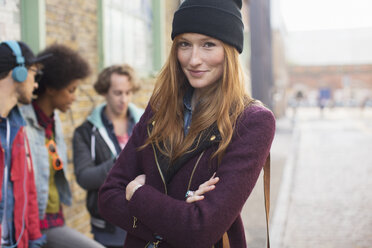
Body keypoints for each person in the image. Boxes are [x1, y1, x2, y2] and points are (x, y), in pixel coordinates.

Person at [98, 0, 276, 247]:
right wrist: (177, 216)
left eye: (208, 45)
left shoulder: (252, 121)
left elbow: (201, 230)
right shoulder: (159, 108)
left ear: (230, 50)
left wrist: (138, 193)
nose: (193, 59)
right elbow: (108, 197)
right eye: (184, 44)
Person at [19, 44, 104, 248]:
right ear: (50, 88)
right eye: (70, 90)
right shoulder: (23, 123)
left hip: (55, 219)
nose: (74, 97)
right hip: (33, 224)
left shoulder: (54, 120)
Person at [73, 64, 144, 248]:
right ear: (105, 92)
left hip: (145, 221)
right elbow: (85, 177)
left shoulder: (147, 124)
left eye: (128, 93)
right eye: (118, 93)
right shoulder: (86, 132)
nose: (124, 99)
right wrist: (122, 161)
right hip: (108, 228)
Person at [0, 40, 47, 247]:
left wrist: (35, 237)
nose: (36, 84)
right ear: (19, 71)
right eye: (34, 74)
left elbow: (28, 190)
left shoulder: (18, 127)